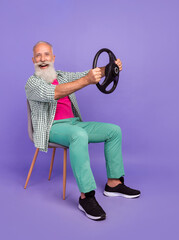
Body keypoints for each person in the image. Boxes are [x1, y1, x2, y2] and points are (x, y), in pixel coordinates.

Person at [25, 41, 141, 221]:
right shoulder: (32, 83)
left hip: (74, 123)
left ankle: (114, 184)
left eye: (46, 54)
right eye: (38, 55)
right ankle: (86, 197)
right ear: (33, 60)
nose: (42, 59)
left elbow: (87, 75)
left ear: (53, 58)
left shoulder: (62, 75)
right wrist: (86, 81)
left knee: (114, 130)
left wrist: (110, 68)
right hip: (52, 128)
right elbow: (54, 93)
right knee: (79, 135)